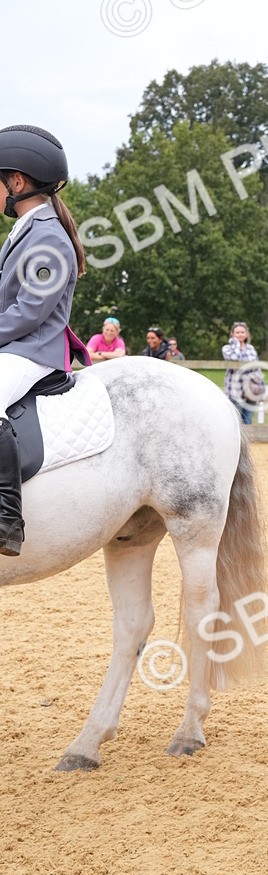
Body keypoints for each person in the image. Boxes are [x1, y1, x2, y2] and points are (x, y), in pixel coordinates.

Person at [0, 124, 86, 556]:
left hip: (32, 351)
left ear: (16, 182)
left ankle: (5, 515)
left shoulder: (49, 237)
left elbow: (29, 311)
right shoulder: (25, 231)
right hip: (15, 345)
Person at [222, 321, 265, 425]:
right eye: (237, 332)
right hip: (235, 389)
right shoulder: (227, 348)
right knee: (237, 421)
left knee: (248, 420)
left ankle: (246, 441)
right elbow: (234, 358)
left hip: (251, 389)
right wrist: (236, 344)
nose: (240, 334)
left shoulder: (251, 349)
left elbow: (257, 367)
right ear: (232, 334)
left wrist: (260, 386)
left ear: (246, 334)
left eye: (242, 332)